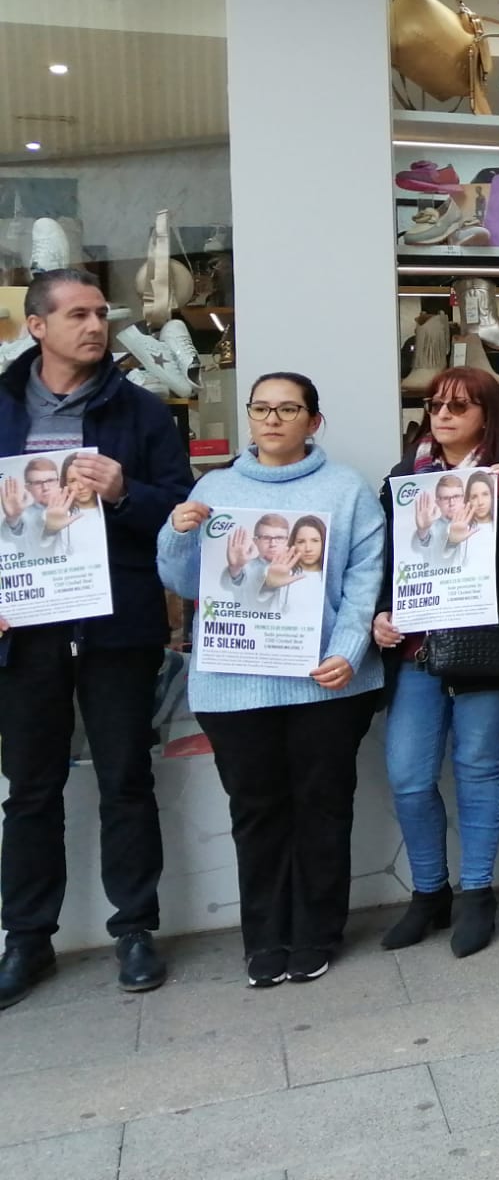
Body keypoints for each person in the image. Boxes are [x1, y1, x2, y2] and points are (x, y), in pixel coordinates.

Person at [0, 268, 192, 1010]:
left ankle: (135, 929)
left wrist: (123, 494)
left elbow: (181, 513)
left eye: (98, 314)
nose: (94, 325)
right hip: (26, 633)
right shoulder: (4, 409)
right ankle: (26, 940)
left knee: (126, 781)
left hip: (116, 628)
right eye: (76, 315)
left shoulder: (141, 413)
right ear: (36, 326)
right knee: (30, 791)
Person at [156, 373, 386, 988]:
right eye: (261, 408)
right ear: (249, 417)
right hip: (234, 684)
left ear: (315, 421)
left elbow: (366, 581)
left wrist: (348, 650)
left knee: (323, 808)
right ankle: (264, 937)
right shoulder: (215, 488)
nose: (273, 419)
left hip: (323, 682)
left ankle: (315, 933)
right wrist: (179, 531)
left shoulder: (345, 490)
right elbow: (182, 582)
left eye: (289, 408)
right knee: (256, 813)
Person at [372, 367, 499, 959]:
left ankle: (477, 893)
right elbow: (386, 566)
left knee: (478, 766)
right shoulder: (404, 482)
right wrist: (380, 615)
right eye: (436, 405)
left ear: (488, 415)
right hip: (419, 649)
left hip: (489, 648)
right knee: (407, 774)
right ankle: (430, 893)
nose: (444, 414)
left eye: (459, 405)